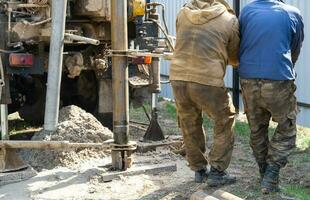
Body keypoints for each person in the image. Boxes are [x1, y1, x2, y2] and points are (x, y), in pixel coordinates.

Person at [170, 0, 240, 186]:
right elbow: (234, 58)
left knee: (189, 121)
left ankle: (199, 170)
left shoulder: (182, 14)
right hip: (207, 79)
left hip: (178, 77)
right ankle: (217, 171)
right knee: (225, 118)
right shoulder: (229, 19)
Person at [239, 0, 304, 194]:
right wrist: (286, 67)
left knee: (256, 128)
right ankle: (271, 174)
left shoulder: (247, 11)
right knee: (287, 127)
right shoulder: (292, 13)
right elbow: (295, 47)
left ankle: (263, 172)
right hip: (278, 78)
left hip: (248, 77)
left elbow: (239, 40)